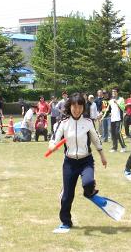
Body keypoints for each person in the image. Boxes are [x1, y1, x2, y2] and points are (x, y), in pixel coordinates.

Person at [49, 93, 108, 234]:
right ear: (70, 107)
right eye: (74, 106)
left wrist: (102, 156)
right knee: (67, 196)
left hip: (86, 161)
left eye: (80, 106)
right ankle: (65, 222)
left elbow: (96, 139)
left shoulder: (88, 122)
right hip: (69, 163)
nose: (77, 109)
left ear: (83, 107)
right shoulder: (63, 122)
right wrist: (52, 145)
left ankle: (90, 192)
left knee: (88, 183)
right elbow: (55, 137)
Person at [104, 88, 126, 152]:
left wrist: (117, 103)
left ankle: (123, 147)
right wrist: (102, 116)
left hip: (119, 119)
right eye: (112, 91)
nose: (113, 92)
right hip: (112, 119)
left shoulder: (121, 99)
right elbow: (108, 110)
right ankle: (114, 148)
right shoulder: (110, 100)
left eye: (115, 91)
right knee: (113, 133)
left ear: (117, 92)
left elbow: (123, 108)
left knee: (118, 133)